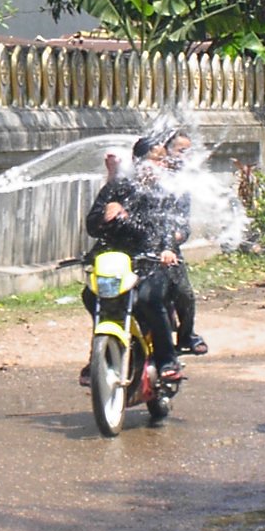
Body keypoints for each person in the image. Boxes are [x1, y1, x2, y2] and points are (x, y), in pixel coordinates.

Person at [81, 135, 183, 384]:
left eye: (162, 160)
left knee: (149, 298)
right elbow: (92, 226)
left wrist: (168, 249)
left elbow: (168, 228)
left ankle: (167, 358)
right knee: (92, 295)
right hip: (117, 260)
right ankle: (99, 357)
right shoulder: (117, 188)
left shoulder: (166, 192)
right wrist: (105, 217)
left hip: (151, 260)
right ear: (137, 161)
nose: (158, 165)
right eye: (153, 159)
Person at [160, 130, 207, 357]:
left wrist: (175, 238)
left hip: (170, 247)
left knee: (184, 294)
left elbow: (184, 224)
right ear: (165, 151)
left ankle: (186, 335)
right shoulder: (150, 177)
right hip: (145, 246)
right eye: (181, 151)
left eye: (189, 152)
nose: (185, 157)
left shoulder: (182, 184)